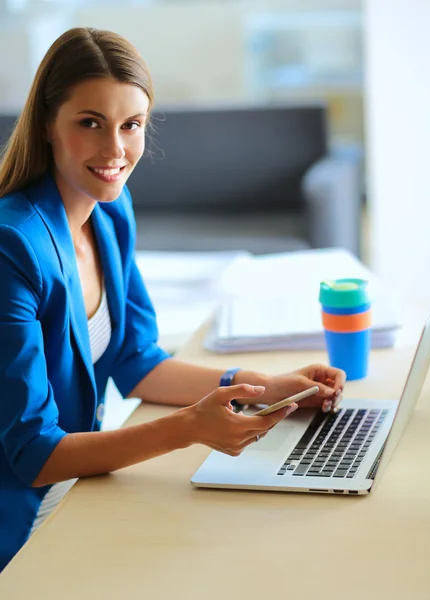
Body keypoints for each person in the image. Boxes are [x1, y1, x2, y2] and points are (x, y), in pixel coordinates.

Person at [0, 27, 346, 571]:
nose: (115, 150)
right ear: (47, 123)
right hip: (23, 515)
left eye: (131, 125)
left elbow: (137, 362)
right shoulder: (12, 245)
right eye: (90, 123)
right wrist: (188, 428)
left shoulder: (109, 210)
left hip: (80, 487)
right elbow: (34, 453)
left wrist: (262, 390)